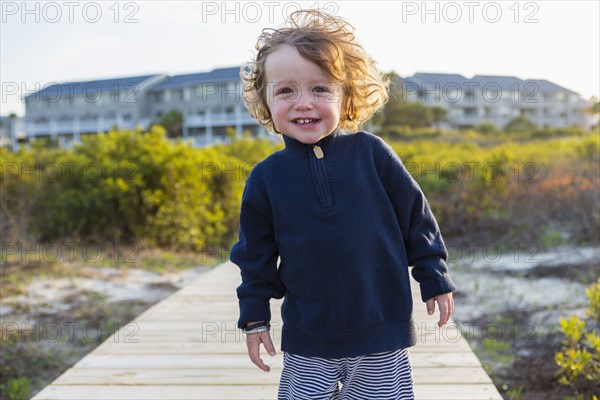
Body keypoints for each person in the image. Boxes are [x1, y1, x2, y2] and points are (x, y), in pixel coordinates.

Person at [230, 9, 457, 399]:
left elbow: (416, 218)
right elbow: (255, 257)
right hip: (308, 338)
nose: (303, 103)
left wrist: (433, 275)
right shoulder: (266, 177)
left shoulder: (372, 154)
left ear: (345, 95)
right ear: (266, 102)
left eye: (320, 89)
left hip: (380, 328)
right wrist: (254, 318)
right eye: (286, 91)